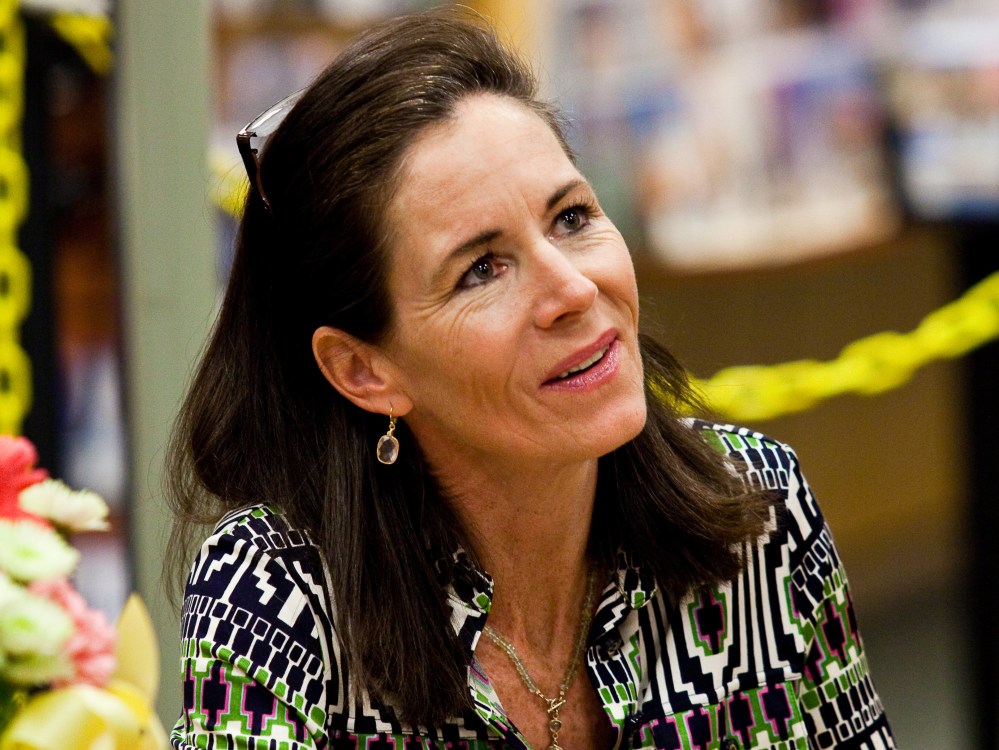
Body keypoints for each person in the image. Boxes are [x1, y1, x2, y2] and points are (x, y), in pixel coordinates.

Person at [168, 9, 895, 750]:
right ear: (363, 370)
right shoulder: (273, 594)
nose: (574, 289)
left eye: (572, 217)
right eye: (482, 269)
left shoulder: (757, 509)